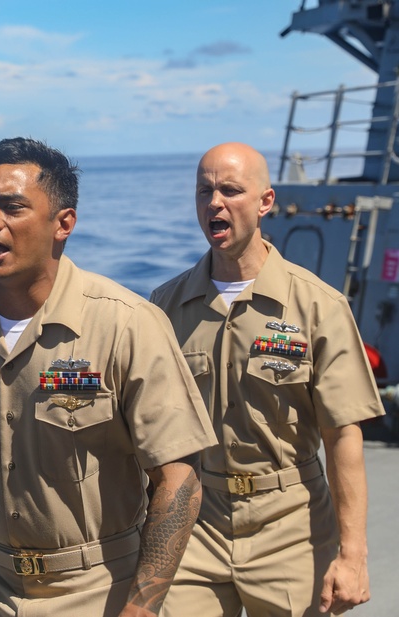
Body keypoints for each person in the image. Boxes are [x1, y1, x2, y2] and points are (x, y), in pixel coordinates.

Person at [0, 137, 217, 617]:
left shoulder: (126, 324)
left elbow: (178, 477)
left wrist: (143, 606)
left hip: (97, 590)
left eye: (11, 206)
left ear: (63, 223)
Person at [150, 142, 384, 616]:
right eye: (204, 191)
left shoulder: (319, 306)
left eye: (231, 190)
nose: (215, 202)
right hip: (196, 522)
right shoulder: (165, 307)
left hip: (290, 524)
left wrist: (353, 555)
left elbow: (343, 434)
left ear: (265, 202)